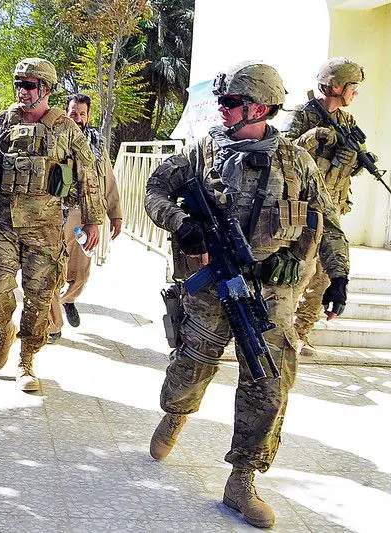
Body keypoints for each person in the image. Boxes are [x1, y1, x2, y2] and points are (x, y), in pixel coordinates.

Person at [144, 62, 349, 528]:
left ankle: (243, 478)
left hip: (273, 290)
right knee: (192, 364)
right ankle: (176, 414)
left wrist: (338, 275)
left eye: (231, 101)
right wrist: (184, 226)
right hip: (212, 282)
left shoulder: (296, 161)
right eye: (222, 100)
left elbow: (329, 220)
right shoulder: (201, 153)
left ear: (258, 107)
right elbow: (155, 191)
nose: (222, 107)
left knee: (269, 379)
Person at [0, 58, 105, 391]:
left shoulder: (65, 128)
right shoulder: (2, 122)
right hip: (3, 222)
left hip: (45, 226)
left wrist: (92, 219)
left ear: (45, 89)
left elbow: (88, 174)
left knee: (39, 297)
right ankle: (5, 333)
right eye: (19, 84)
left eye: (29, 85)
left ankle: (27, 360)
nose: (22, 91)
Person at [283, 58, 364, 357]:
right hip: (301, 212)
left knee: (324, 277)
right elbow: (285, 155)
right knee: (296, 273)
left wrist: (351, 158)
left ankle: (302, 331)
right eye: (353, 87)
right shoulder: (301, 117)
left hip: (331, 210)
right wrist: (313, 137)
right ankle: (279, 329)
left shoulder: (347, 123)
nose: (356, 93)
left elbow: (352, 167)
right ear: (336, 86)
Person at [47, 93, 123, 343]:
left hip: (87, 217)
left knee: (80, 274)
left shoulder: (97, 143)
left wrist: (115, 214)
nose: (77, 118)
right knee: (52, 270)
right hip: (59, 214)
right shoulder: (55, 140)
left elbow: (108, 180)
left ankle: (68, 300)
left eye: (82, 114)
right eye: (73, 113)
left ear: (88, 116)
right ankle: (53, 325)